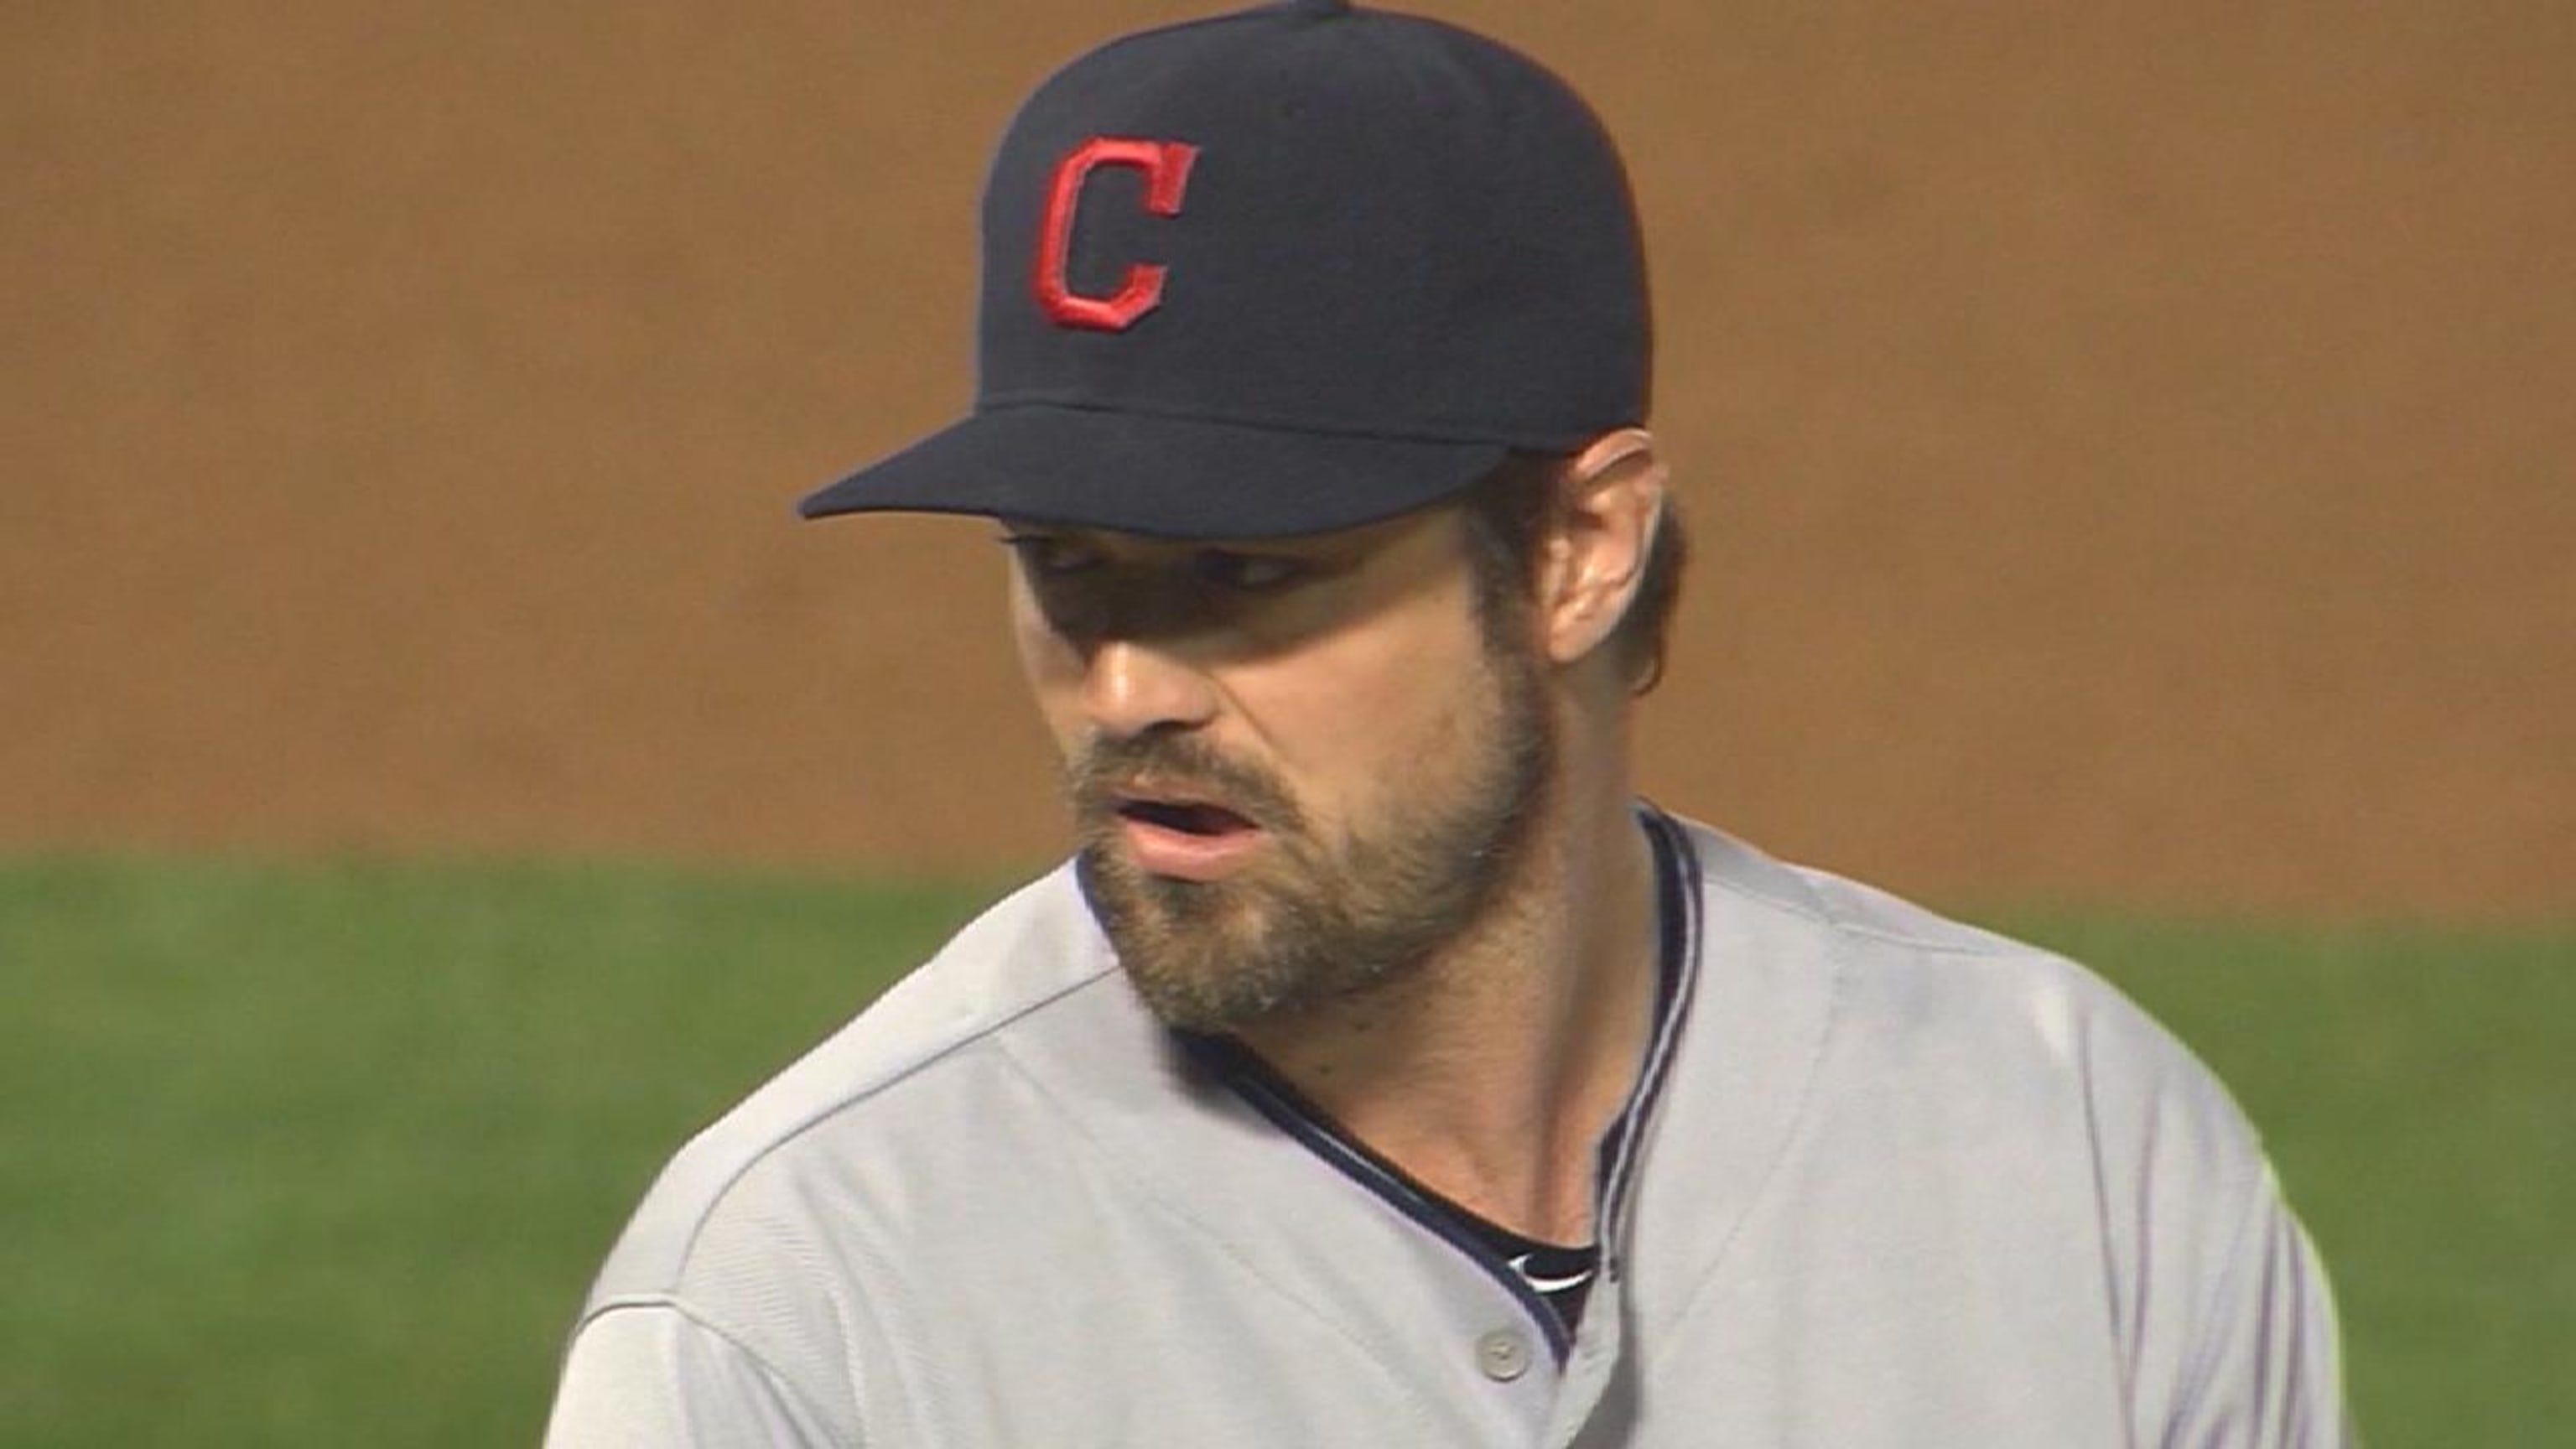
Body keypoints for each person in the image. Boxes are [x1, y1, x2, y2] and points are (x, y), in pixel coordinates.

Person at [545, 3, 2350, 1444]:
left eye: (1245, 574)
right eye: (1066, 568)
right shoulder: (803, 1299)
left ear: (1581, 550)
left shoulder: (2078, 1148)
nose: (1126, 689)